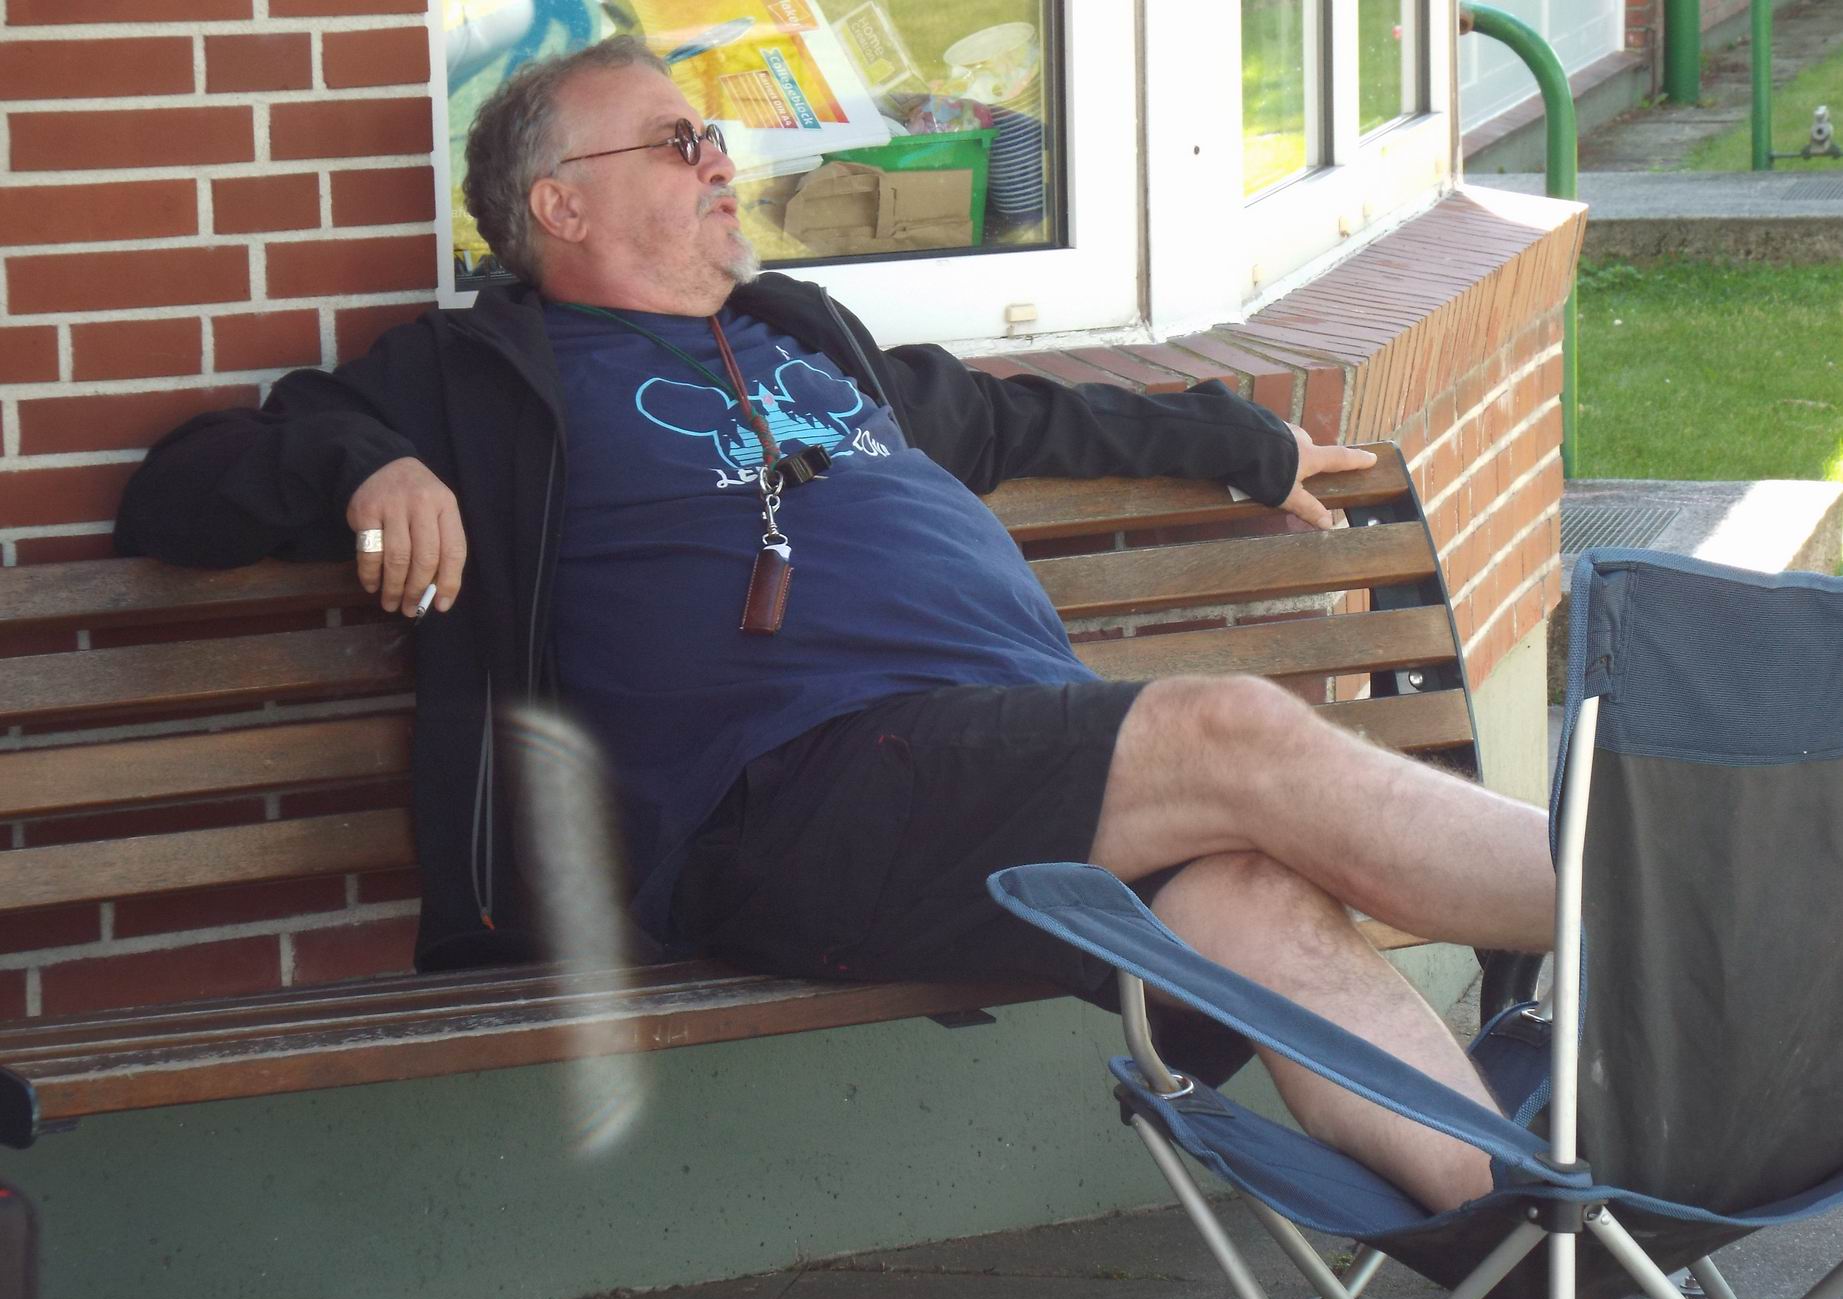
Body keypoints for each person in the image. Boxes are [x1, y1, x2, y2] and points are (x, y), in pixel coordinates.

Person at [115, 37, 1553, 1215]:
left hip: (998, 777)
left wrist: (1248, 444)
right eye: (679, 143)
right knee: (1224, 727)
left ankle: (1519, 1220)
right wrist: (370, 465)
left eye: (714, 139)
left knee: (1253, 897)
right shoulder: (478, 378)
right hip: (788, 806)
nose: (720, 162)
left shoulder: (799, 341)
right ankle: (1631, 897)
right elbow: (178, 489)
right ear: (561, 206)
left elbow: (1017, 415)